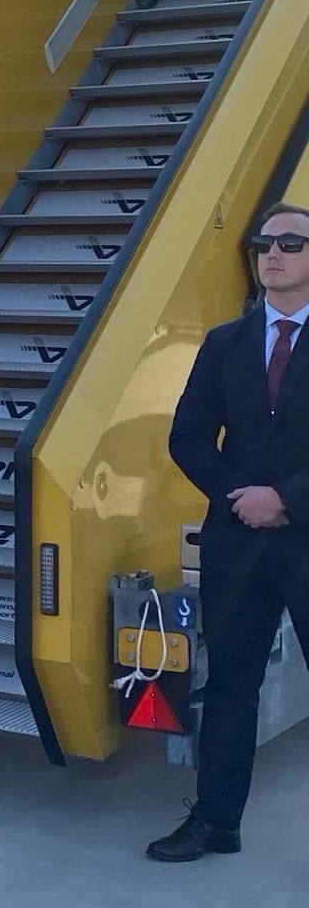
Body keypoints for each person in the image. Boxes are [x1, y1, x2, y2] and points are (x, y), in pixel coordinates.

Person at [148, 202, 309, 862]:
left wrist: (286, 501)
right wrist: (242, 500)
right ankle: (216, 822)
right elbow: (187, 437)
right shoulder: (225, 343)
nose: (272, 252)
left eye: (290, 242)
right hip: (238, 546)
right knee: (231, 689)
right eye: (263, 243)